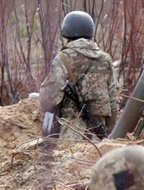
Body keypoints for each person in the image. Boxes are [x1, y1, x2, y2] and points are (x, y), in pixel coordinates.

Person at [39, 10, 119, 140]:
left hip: (70, 134)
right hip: (99, 134)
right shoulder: (105, 59)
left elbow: (47, 100)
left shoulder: (63, 58)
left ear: (66, 32)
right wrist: (108, 131)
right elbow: (113, 102)